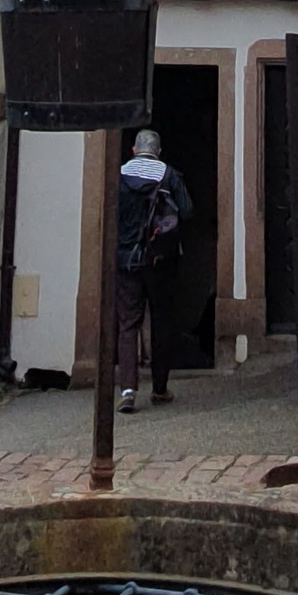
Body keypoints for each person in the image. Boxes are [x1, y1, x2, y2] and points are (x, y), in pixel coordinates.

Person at [115, 126, 193, 414]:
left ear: (134, 151)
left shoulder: (120, 174)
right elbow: (186, 211)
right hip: (160, 260)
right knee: (161, 321)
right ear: (158, 153)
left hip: (125, 260)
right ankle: (159, 389)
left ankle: (127, 390)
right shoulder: (168, 174)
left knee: (127, 324)